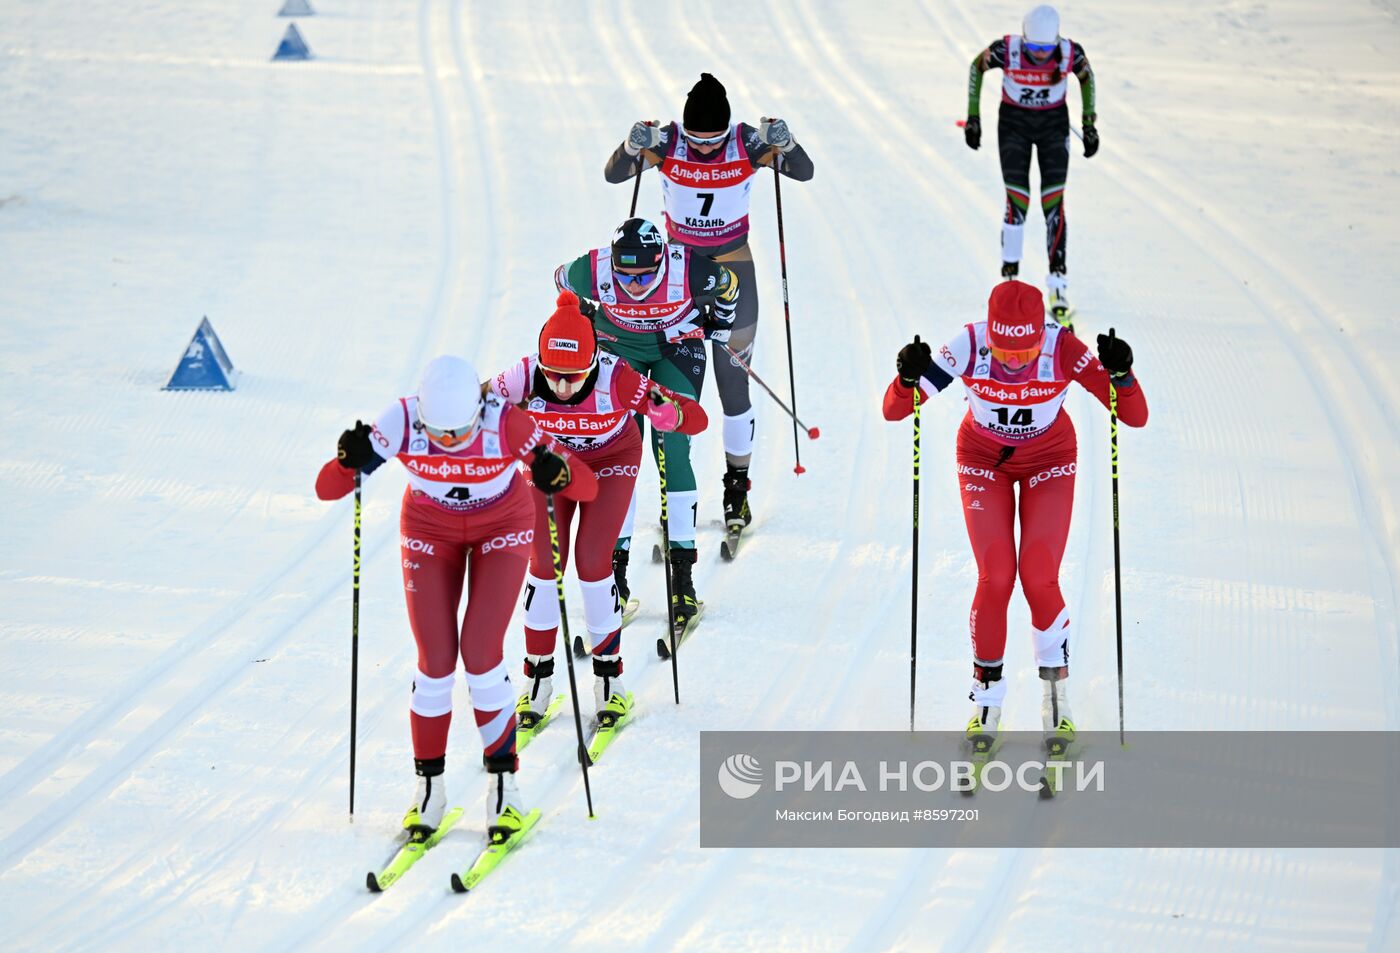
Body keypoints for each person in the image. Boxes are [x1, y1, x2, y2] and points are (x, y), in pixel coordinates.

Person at [315, 355, 597, 838]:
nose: (448, 442)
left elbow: (586, 487)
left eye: (459, 431)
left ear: (478, 409)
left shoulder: (506, 422)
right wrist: (346, 462)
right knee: (436, 662)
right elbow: (327, 489)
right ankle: (430, 790)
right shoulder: (401, 421)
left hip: (502, 525)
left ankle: (505, 788)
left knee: (482, 654)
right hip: (429, 529)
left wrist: (560, 472)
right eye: (438, 432)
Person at [882, 281, 1146, 744]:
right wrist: (906, 378)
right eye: (1004, 351)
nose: (1014, 363)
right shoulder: (967, 344)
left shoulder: (1062, 347)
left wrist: (1122, 374)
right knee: (997, 575)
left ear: (1039, 336)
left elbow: (1133, 414)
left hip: (1050, 459)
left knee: (1039, 574)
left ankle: (1056, 701)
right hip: (983, 460)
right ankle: (986, 705)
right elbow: (894, 411)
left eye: (1024, 352)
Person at [486, 291, 708, 731]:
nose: (563, 387)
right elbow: (469, 410)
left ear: (593, 364)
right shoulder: (524, 375)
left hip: (611, 461)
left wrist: (671, 415)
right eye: (554, 376)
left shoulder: (618, 376)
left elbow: (695, 418)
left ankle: (610, 683)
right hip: (550, 462)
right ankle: (538, 680)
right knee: (543, 562)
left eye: (574, 377)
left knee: (592, 562)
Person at [606, 72, 814, 535]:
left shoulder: (747, 144)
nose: (702, 148)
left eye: (713, 140)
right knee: (673, 393)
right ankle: (672, 496)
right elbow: (615, 174)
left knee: (733, 386)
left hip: (733, 271)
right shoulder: (667, 144)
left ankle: (736, 489)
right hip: (675, 278)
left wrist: (787, 141)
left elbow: (803, 171)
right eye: (696, 140)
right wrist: (631, 144)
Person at [554, 218, 735, 629]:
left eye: (646, 275)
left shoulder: (688, 267)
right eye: (625, 275)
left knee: (672, 443)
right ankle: (616, 575)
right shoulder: (592, 269)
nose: (634, 285)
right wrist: (581, 313)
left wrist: (720, 322)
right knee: (619, 449)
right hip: (619, 349)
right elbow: (561, 280)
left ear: (661, 262)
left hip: (676, 350)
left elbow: (729, 286)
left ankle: (682, 581)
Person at [965, 5, 1097, 327]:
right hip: (1014, 127)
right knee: (1017, 201)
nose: (1040, 56)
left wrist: (1089, 123)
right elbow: (976, 67)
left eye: (1046, 49)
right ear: (1024, 39)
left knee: (1053, 203)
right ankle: (1010, 278)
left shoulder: (1067, 53)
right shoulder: (1008, 50)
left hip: (1053, 127)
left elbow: (1087, 77)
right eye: (1034, 49)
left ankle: (1058, 285)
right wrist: (973, 117)